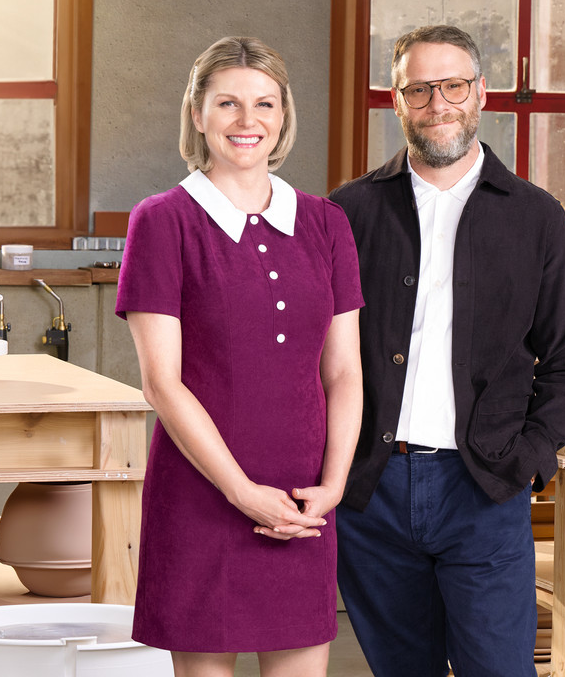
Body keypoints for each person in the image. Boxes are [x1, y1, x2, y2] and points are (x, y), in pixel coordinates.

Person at [327, 25, 565, 677]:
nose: (437, 103)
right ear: (397, 100)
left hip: (483, 490)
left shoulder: (535, 218)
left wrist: (528, 462)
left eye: (452, 86)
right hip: (374, 492)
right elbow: (315, 355)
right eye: (420, 89)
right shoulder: (346, 214)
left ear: (481, 94)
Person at [116, 36, 364, 677]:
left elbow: (343, 372)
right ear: (197, 114)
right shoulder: (161, 222)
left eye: (264, 104)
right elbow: (162, 383)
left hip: (303, 504)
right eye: (227, 103)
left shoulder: (326, 224)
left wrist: (333, 486)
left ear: (283, 117)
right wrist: (241, 492)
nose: (247, 121)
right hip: (202, 498)